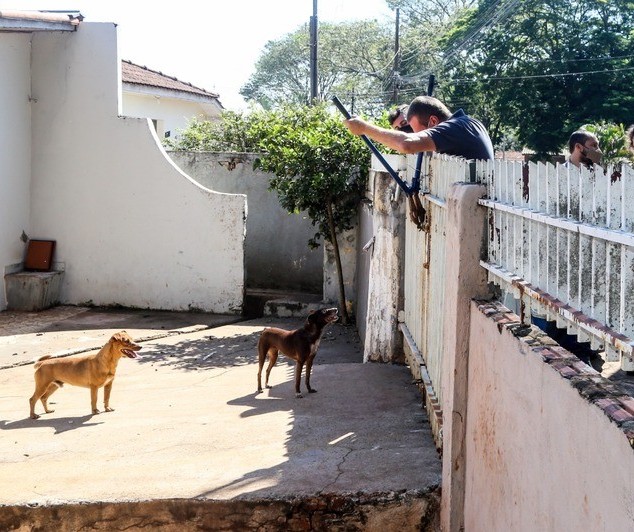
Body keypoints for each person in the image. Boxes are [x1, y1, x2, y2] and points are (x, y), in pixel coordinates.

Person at [344, 95, 494, 161]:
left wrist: (364, 128)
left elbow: (406, 144)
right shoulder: (469, 123)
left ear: (433, 121)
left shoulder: (454, 128)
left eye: (420, 132)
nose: (418, 135)